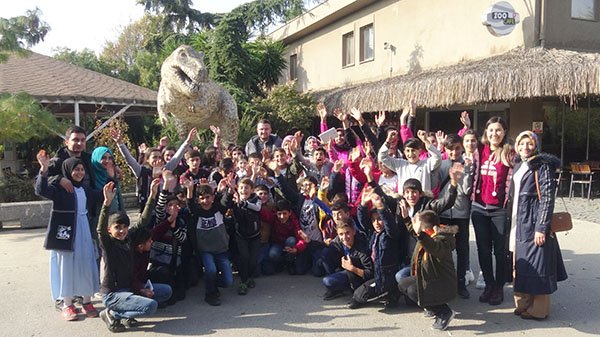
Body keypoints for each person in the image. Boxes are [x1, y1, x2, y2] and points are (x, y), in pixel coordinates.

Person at [508, 131, 567, 320]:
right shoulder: (518, 164)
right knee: (521, 264)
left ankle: (539, 310)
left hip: (533, 221)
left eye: (529, 144)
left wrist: (541, 226)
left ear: (536, 145)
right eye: (522, 143)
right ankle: (523, 304)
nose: (525, 147)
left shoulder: (542, 165)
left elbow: (548, 197)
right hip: (518, 222)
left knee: (538, 265)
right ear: (517, 146)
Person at [35, 153, 100, 321]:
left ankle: (86, 301)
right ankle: (68, 304)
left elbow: (99, 195)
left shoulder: (84, 189)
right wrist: (44, 169)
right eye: (75, 170)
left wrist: (112, 178)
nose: (79, 172)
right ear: (68, 170)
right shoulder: (60, 188)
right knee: (66, 266)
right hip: (65, 232)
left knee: (86, 262)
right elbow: (41, 190)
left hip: (84, 229)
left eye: (81, 169)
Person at [466, 115, 515, 306]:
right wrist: (467, 128)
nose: (495, 133)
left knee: (499, 252)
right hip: (479, 208)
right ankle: (489, 283)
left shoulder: (509, 153)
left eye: (499, 130)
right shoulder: (480, 150)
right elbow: (466, 142)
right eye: (491, 130)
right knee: (483, 250)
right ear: (486, 132)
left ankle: (498, 287)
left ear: (504, 133)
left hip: (499, 210)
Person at [97, 182, 159, 332]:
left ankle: (126, 314)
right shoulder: (108, 244)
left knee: (165, 292)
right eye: (117, 227)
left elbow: (143, 222)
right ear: (109, 230)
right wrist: (106, 204)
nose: (122, 230)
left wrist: (152, 196)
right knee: (151, 306)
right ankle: (112, 313)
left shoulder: (129, 239)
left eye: (124, 227)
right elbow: (100, 229)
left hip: (129, 288)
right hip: (113, 294)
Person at [397, 210, 458, 331]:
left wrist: (420, 234)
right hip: (429, 278)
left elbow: (433, 246)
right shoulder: (427, 235)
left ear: (426, 229)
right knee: (402, 284)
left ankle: (444, 311)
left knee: (414, 291)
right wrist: (406, 219)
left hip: (441, 283)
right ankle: (432, 306)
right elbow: (416, 233)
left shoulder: (442, 241)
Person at [437, 134, 474, 299]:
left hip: (461, 213)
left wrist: (466, 171)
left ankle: (461, 282)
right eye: (450, 149)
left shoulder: (468, 164)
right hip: (444, 213)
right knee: (443, 249)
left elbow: (467, 189)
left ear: (462, 148)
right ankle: (445, 281)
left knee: (462, 249)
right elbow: (435, 184)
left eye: (457, 148)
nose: (454, 152)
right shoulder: (442, 165)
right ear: (445, 149)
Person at [186, 183, 233, 306]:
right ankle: (210, 294)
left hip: (221, 250)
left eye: (208, 197)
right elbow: (190, 205)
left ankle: (211, 283)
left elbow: (226, 201)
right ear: (198, 200)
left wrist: (230, 189)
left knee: (228, 281)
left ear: (212, 197)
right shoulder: (196, 213)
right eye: (202, 198)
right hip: (205, 250)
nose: (205, 201)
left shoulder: (218, 209)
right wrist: (190, 190)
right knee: (211, 270)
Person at [321, 221, 372, 300]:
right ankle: (336, 288)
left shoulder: (361, 248)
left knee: (328, 281)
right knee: (325, 252)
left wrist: (352, 268)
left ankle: (352, 288)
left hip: (357, 274)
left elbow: (371, 274)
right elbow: (327, 246)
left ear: (354, 232)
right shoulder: (339, 241)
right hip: (345, 268)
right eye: (341, 234)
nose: (344, 237)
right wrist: (310, 242)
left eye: (347, 233)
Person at [47, 126, 96, 191]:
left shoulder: (89, 159)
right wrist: (59, 179)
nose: (80, 143)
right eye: (76, 140)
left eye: (83, 140)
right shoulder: (57, 161)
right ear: (66, 142)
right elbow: (40, 180)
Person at [91, 146, 124, 213]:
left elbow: (118, 198)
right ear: (96, 158)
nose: (107, 161)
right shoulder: (90, 176)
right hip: (98, 217)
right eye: (103, 158)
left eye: (110, 158)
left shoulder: (111, 174)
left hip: (114, 216)